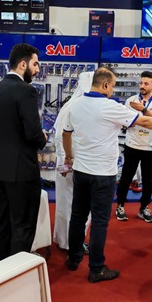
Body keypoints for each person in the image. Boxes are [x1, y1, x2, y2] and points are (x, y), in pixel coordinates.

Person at [62, 67, 152, 283]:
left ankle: (73, 259)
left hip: (81, 171)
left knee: (78, 216)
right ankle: (96, 269)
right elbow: (145, 121)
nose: (112, 90)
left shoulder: (75, 104)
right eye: (112, 86)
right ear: (105, 85)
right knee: (99, 221)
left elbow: (67, 134)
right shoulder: (110, 106)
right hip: (102, 174)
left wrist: (69, 156)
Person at [0, 43, 46, 263]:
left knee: (2, 220)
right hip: (21, 170)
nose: (37, 69)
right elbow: (32, 133)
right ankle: (17, 273)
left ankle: (1, 269)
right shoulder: (26, 90)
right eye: (35, 64)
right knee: (23, 224)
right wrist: (43, 138)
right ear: (22, 64)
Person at [115, 71, 152, 223]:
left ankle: (144, 208)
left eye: (146, 84)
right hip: (132, 145)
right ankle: (120, 206)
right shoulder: (130, 101)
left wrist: (144, 110)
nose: (142, 86)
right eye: (141, 83)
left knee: (148, 181)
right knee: (126, 178)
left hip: (150, 147)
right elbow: (125, 121)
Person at [53, 71, 93, 251]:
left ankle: (69, 240)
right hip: (71, 165)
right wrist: (65, 162)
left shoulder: (82, 105)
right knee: (72, 203)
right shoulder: (74, 106)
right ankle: (70, 242)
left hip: (78, 163)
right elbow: (61, 136)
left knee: (73, 203)